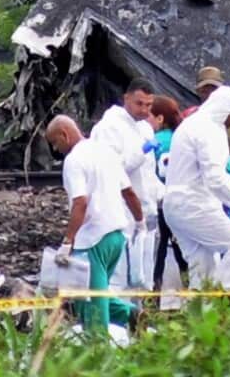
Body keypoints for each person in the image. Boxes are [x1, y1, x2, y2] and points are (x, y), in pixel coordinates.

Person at [163, 86, 230, 289]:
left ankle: (199, 315)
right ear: (223, 111)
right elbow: (215, 178)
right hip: (193, 205)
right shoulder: (208, 130)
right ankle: (221, 303)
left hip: (177, 206)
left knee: (203, 266)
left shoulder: (194, 124)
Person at [46, 115, 144, 334]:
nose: (56, 148)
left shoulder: (74, 160)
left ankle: (98, 352)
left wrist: (67, 241)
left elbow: (80, 202)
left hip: (93, 240)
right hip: (116, 237)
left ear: (65, 134)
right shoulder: (105, 152)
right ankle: (131, 315)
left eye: (55, 142)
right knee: (87, 294)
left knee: (91, 304)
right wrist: (140, 222)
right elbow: (128, 192)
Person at [89, 77, 162, 235]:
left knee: (146, 258)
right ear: (126, 98)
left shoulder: (145, 127)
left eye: (148, 105)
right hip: (122, 210)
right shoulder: (109, 127)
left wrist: (163, 194)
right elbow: (111, 169)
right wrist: (141, 152)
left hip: (147, 208)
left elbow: (148, 173)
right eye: (139, 103)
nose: (144, 110)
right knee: (126, 257)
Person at [147, 96, 188, 292]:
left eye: (149, 116)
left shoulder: (155, 141)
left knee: (160, 247)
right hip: (182, 200)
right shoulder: (181, 138)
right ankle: (190, 287)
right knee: (179, 245)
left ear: (160, 118)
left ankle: (155, 289)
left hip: (161, 202)